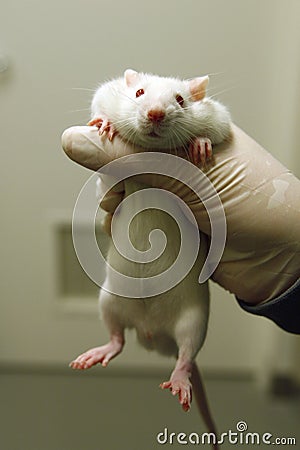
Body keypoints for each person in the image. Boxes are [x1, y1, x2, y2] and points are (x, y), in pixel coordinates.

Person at [62, 123, 300, 334]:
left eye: (178, 101)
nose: (155, 113)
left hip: (180, 254)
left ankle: (183, 363)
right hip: (142, 243)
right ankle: (117, 339)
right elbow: (105, 98)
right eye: (141, 93)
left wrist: (204, 137)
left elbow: (218, 121)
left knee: (188, 311)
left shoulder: (199, 117)